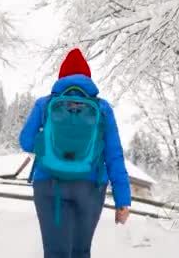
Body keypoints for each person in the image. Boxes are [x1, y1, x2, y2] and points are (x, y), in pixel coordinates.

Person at [19, 48, 131, 258]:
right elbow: (114, 155)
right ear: (87, 77)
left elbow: (25, 141)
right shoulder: (103, 108)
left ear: (61, 76)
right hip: (90, 186)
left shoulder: (45, 104)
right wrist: (122, 199)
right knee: (81, 251)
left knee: (55, 252)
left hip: (48, 185)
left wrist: (47, 144)